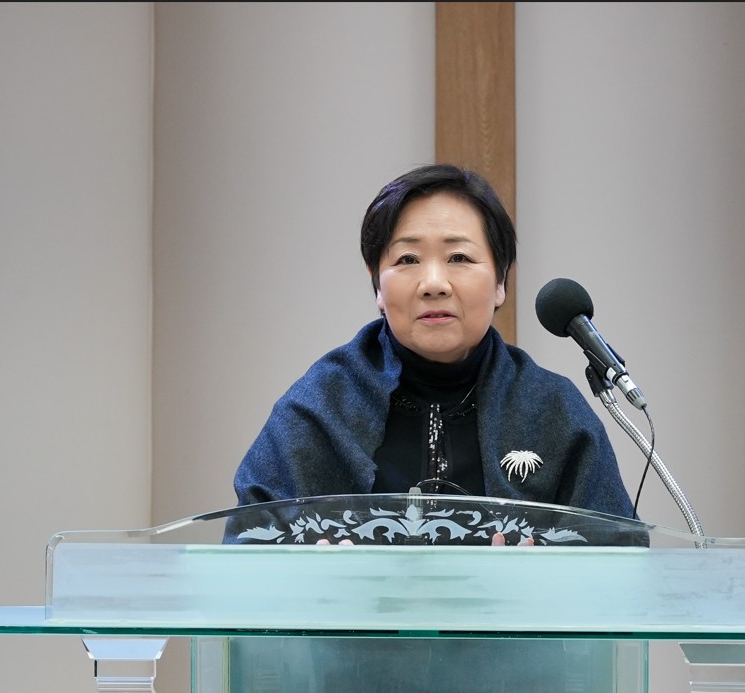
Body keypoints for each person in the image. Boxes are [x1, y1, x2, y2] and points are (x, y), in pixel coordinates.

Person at [230, 162, 635, 522]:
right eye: (407, 260)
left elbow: (619, 561)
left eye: (459, 258)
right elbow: (249, 549)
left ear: (500, 281)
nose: (434, 284)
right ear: (378, 285)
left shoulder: (554, 411)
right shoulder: (320, 406)